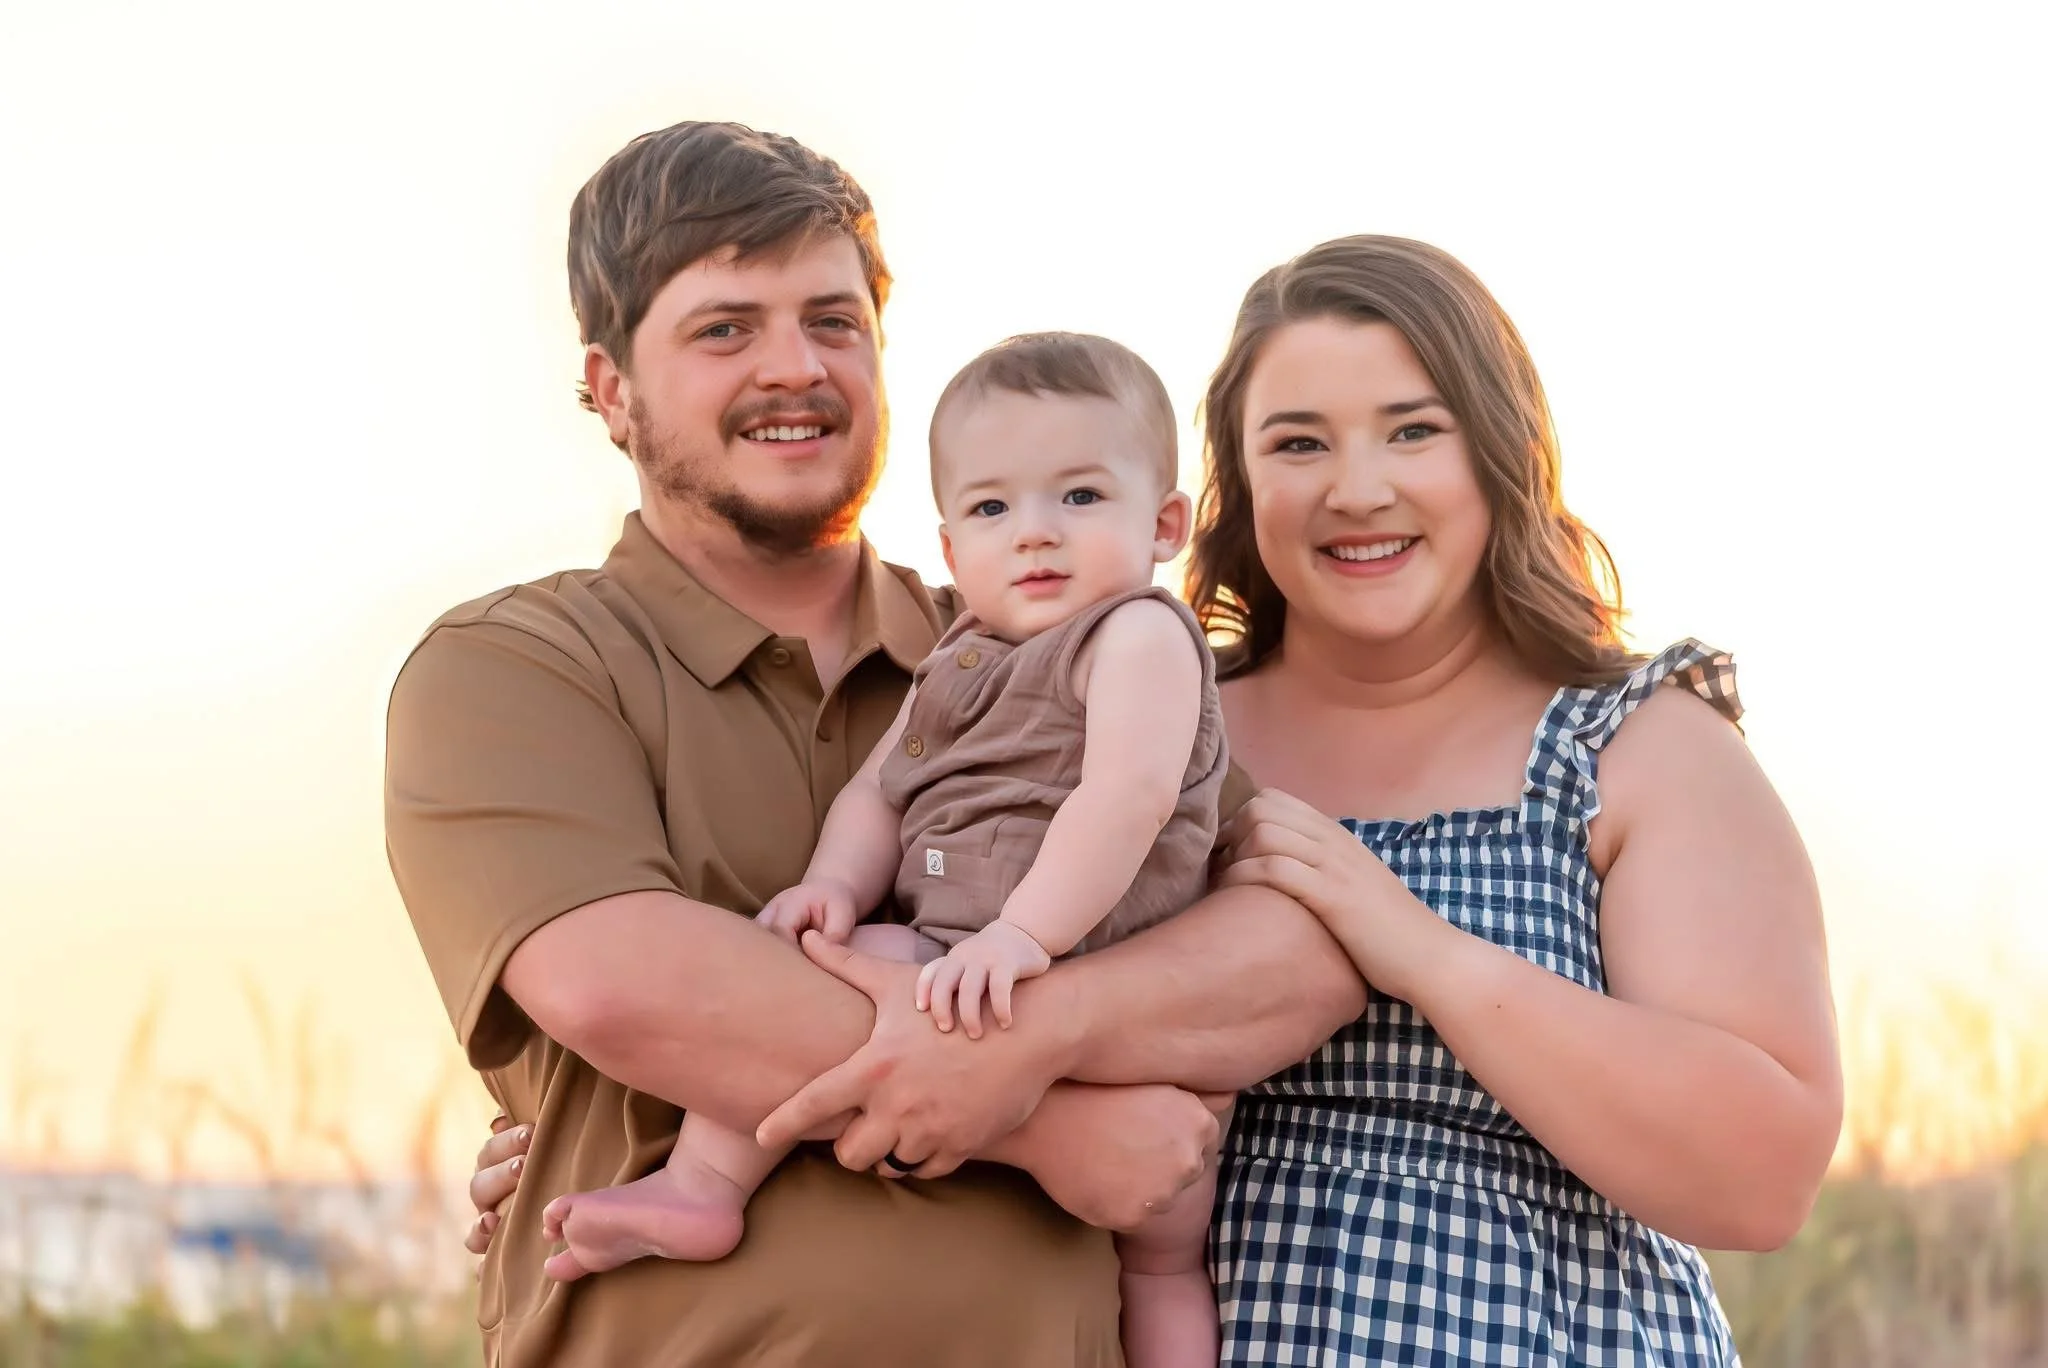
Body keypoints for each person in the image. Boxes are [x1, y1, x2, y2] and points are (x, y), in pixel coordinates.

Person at [387, 120, 1363, 1368]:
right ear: (611, 388)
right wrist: (1050, 1129)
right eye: (725, 327)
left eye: (834, 322)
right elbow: (621, 985)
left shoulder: (1058, 646)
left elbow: (1300, 949)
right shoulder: (516, 667)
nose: (795, 367)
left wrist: (1050, 1030)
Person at [1188, 235, 1843, 1363]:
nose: (1357, 489)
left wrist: (1419, 952)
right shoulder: (1157, 732)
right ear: (1242, 486)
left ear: (1500, 452)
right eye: (1297, 443)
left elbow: (1763, 1175)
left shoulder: (1631, 750)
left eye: (1412, 430)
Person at [537, 331, 1230, 1367]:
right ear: (952, 549)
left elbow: (1122, 800)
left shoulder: (1137, 636)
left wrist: (1021, 936)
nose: (1034, 535)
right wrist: (829, 884)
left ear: (1164, 523)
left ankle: (704, 1183)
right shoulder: (957, 653)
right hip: (974, 959)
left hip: (1060, 961)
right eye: (993, 509)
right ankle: (696, 1187)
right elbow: (881, 788)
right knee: (830, 954)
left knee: (1166, 1258)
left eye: (1080, 499)